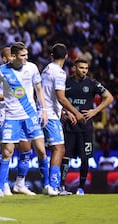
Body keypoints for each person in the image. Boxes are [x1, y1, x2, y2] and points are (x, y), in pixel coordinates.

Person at [0, 42, 49, 198]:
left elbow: (39, 89)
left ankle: (47, 185)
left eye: (27, 55)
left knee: (40, 151)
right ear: (13, 57)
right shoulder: (0, 72)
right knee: (7, 152)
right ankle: (1, 188)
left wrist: (44, 110)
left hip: (30, 115)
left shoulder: (32, 68)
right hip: (10, 117)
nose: (26, 58)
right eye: (23, 55)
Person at [60, 58, 113, 195]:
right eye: (81, 68)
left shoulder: (92, 83)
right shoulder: (65, 82)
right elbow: (57, 100)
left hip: (85, 126)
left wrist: (95, 111)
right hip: (69, 126)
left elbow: (109, 97)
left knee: (85, 157)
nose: (84, 70)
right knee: (65, 156)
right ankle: (61, 186)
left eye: (86, 68)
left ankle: (81, 188)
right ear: (74, 68)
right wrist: (64, 113)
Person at [40, 43, 85, 196]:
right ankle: (53, 186)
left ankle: (50, 184)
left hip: (44, 112)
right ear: (66, 56)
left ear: (51, 55)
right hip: (50, 115)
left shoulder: (46, 69)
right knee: (59, 148)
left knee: (52, 149)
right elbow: (60, 97)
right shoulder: (59, 73)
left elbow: (48, 94)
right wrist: (76, 112)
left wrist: (65, 112)